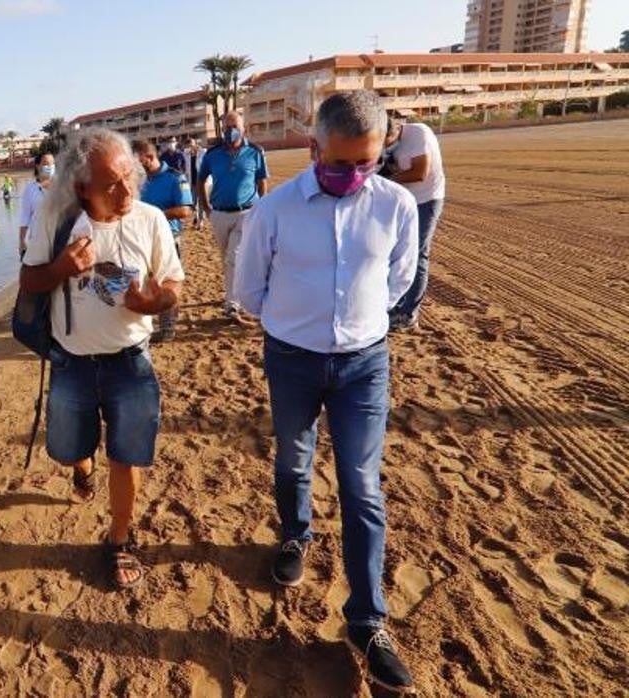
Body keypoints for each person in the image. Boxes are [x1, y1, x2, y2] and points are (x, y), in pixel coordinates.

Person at [234, 90, 418, 693]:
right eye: (340, 164)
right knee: (293, 457)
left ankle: (366, 621)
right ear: (314, 149)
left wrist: (353, 326)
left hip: (365, 362)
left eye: (367, 162)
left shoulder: (395, 206)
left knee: (362, 484)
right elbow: (249, 290)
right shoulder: (276, 209)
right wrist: (298, 323)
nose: (354, 175)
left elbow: (398, 280)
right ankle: (295, 534)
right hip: (290, 359)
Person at [20, 127, 184, 590]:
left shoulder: (151, 219)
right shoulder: (57, 221)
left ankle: (119, 539)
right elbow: (30, 282)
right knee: (71, 447)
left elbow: (173, 283)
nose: (127, 188)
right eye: (112, 182)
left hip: (130, 362)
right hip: (71, 364)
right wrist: (61, 269)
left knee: (127, 456)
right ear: (81, 187)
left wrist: (154, 303)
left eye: (129, 175)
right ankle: (80, 467)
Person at [196, 111, 270, 322]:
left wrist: (261, 207)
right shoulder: (213, 154)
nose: (231, 131)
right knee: (227, 258)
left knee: (234, 258)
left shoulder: (255, 152)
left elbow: (262, 181)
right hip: (219, 214)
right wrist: (206, 208)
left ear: (243, 128)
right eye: (227, 127)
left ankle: (232, 303)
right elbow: (200, 181)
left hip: (246, 212)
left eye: (234, 126)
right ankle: (234, 291)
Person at [381, 115, 446, 332]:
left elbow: (420, 172)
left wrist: (387, 179)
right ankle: (396, 305)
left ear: (398, 128)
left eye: (388, 139)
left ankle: (409, 314)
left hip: (427, 199)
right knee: (395, 253)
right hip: (404, 200)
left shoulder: (419, 134)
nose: (385, 144)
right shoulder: (383, 143)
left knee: (417, 254)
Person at [132, 139, 193, 341]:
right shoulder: (137, 180)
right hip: (139, 240)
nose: (134, 166)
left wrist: (154, 216)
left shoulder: (175, 178)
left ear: (149, 158)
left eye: (137, 161)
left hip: (167, 239)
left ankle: (167, 328)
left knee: (168, 282)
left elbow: (185, 210)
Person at [19, 152, 55, 257]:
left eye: (52, 163)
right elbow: (25, 217)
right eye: (46, 163)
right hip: (38, 241)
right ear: (37, 166)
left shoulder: (61, 186)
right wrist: (22, 241)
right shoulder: (30, 189)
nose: (50, 166)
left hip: (59, 240)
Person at [185, 137, 206, 230]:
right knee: (193, 202)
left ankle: (200, 221)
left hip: (201, 181)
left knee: (201, 202)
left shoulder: (203, 152)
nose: (191, 147)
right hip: (192, 181)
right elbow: (186, 169)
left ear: (195, 144)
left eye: (192, 145)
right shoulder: (186, 154)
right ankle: (196, 218)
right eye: (189, 146)